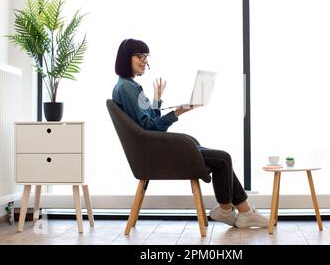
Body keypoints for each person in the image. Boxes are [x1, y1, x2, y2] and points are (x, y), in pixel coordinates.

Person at [112, 38, 268, 228]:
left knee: (220, 159)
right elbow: (150, 128)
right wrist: (178, 112)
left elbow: (149, 123)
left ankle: (244, 212)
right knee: (223, 158)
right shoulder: (127, 87)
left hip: (154, 148)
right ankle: (229, 210)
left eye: (146, 56)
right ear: (126, 58)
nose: (145, 60)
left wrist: (157, 100)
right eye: (140, 55)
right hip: (156, 152)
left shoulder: (127, 85)